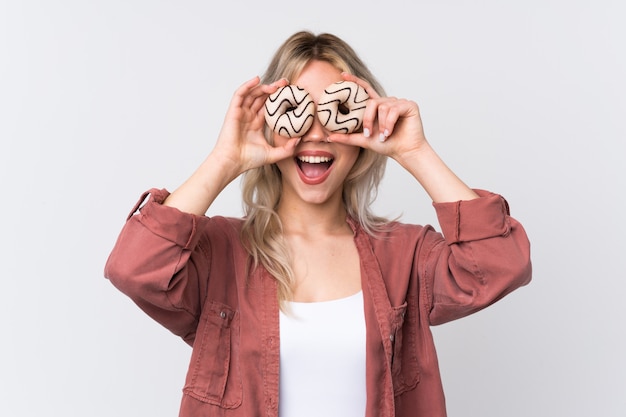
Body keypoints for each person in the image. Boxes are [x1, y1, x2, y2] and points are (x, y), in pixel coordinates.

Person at [104, 31, 532, 417]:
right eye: (297, 110)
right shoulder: (221, 254)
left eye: (334, 109)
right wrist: (225, 159)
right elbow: (134, 267)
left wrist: (413, 150)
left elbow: (498, 263)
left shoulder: (405, 255)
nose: (315, 134)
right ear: (270, 123)